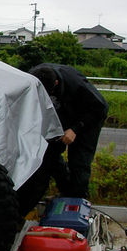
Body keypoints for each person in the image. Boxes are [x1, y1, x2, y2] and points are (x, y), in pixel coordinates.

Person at [29, 63, 108, 199]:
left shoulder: (76, 84)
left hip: (86, 118)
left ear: (56, 83)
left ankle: (77, 200)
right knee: (48, 155)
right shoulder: (31, 78)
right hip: (60, 117)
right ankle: (66, 193)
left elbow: (100, 108)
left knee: (79, 162)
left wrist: (75, 129)